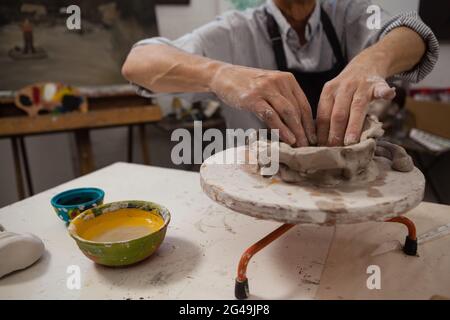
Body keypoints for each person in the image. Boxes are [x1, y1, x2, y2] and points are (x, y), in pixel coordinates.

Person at [122, 0, 439, 147]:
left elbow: (414, 35)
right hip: (263, 186)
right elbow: (138, 63)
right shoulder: (236, 29)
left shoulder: (350, 14)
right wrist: (219, 74)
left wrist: (370, 62)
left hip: (344, 187)